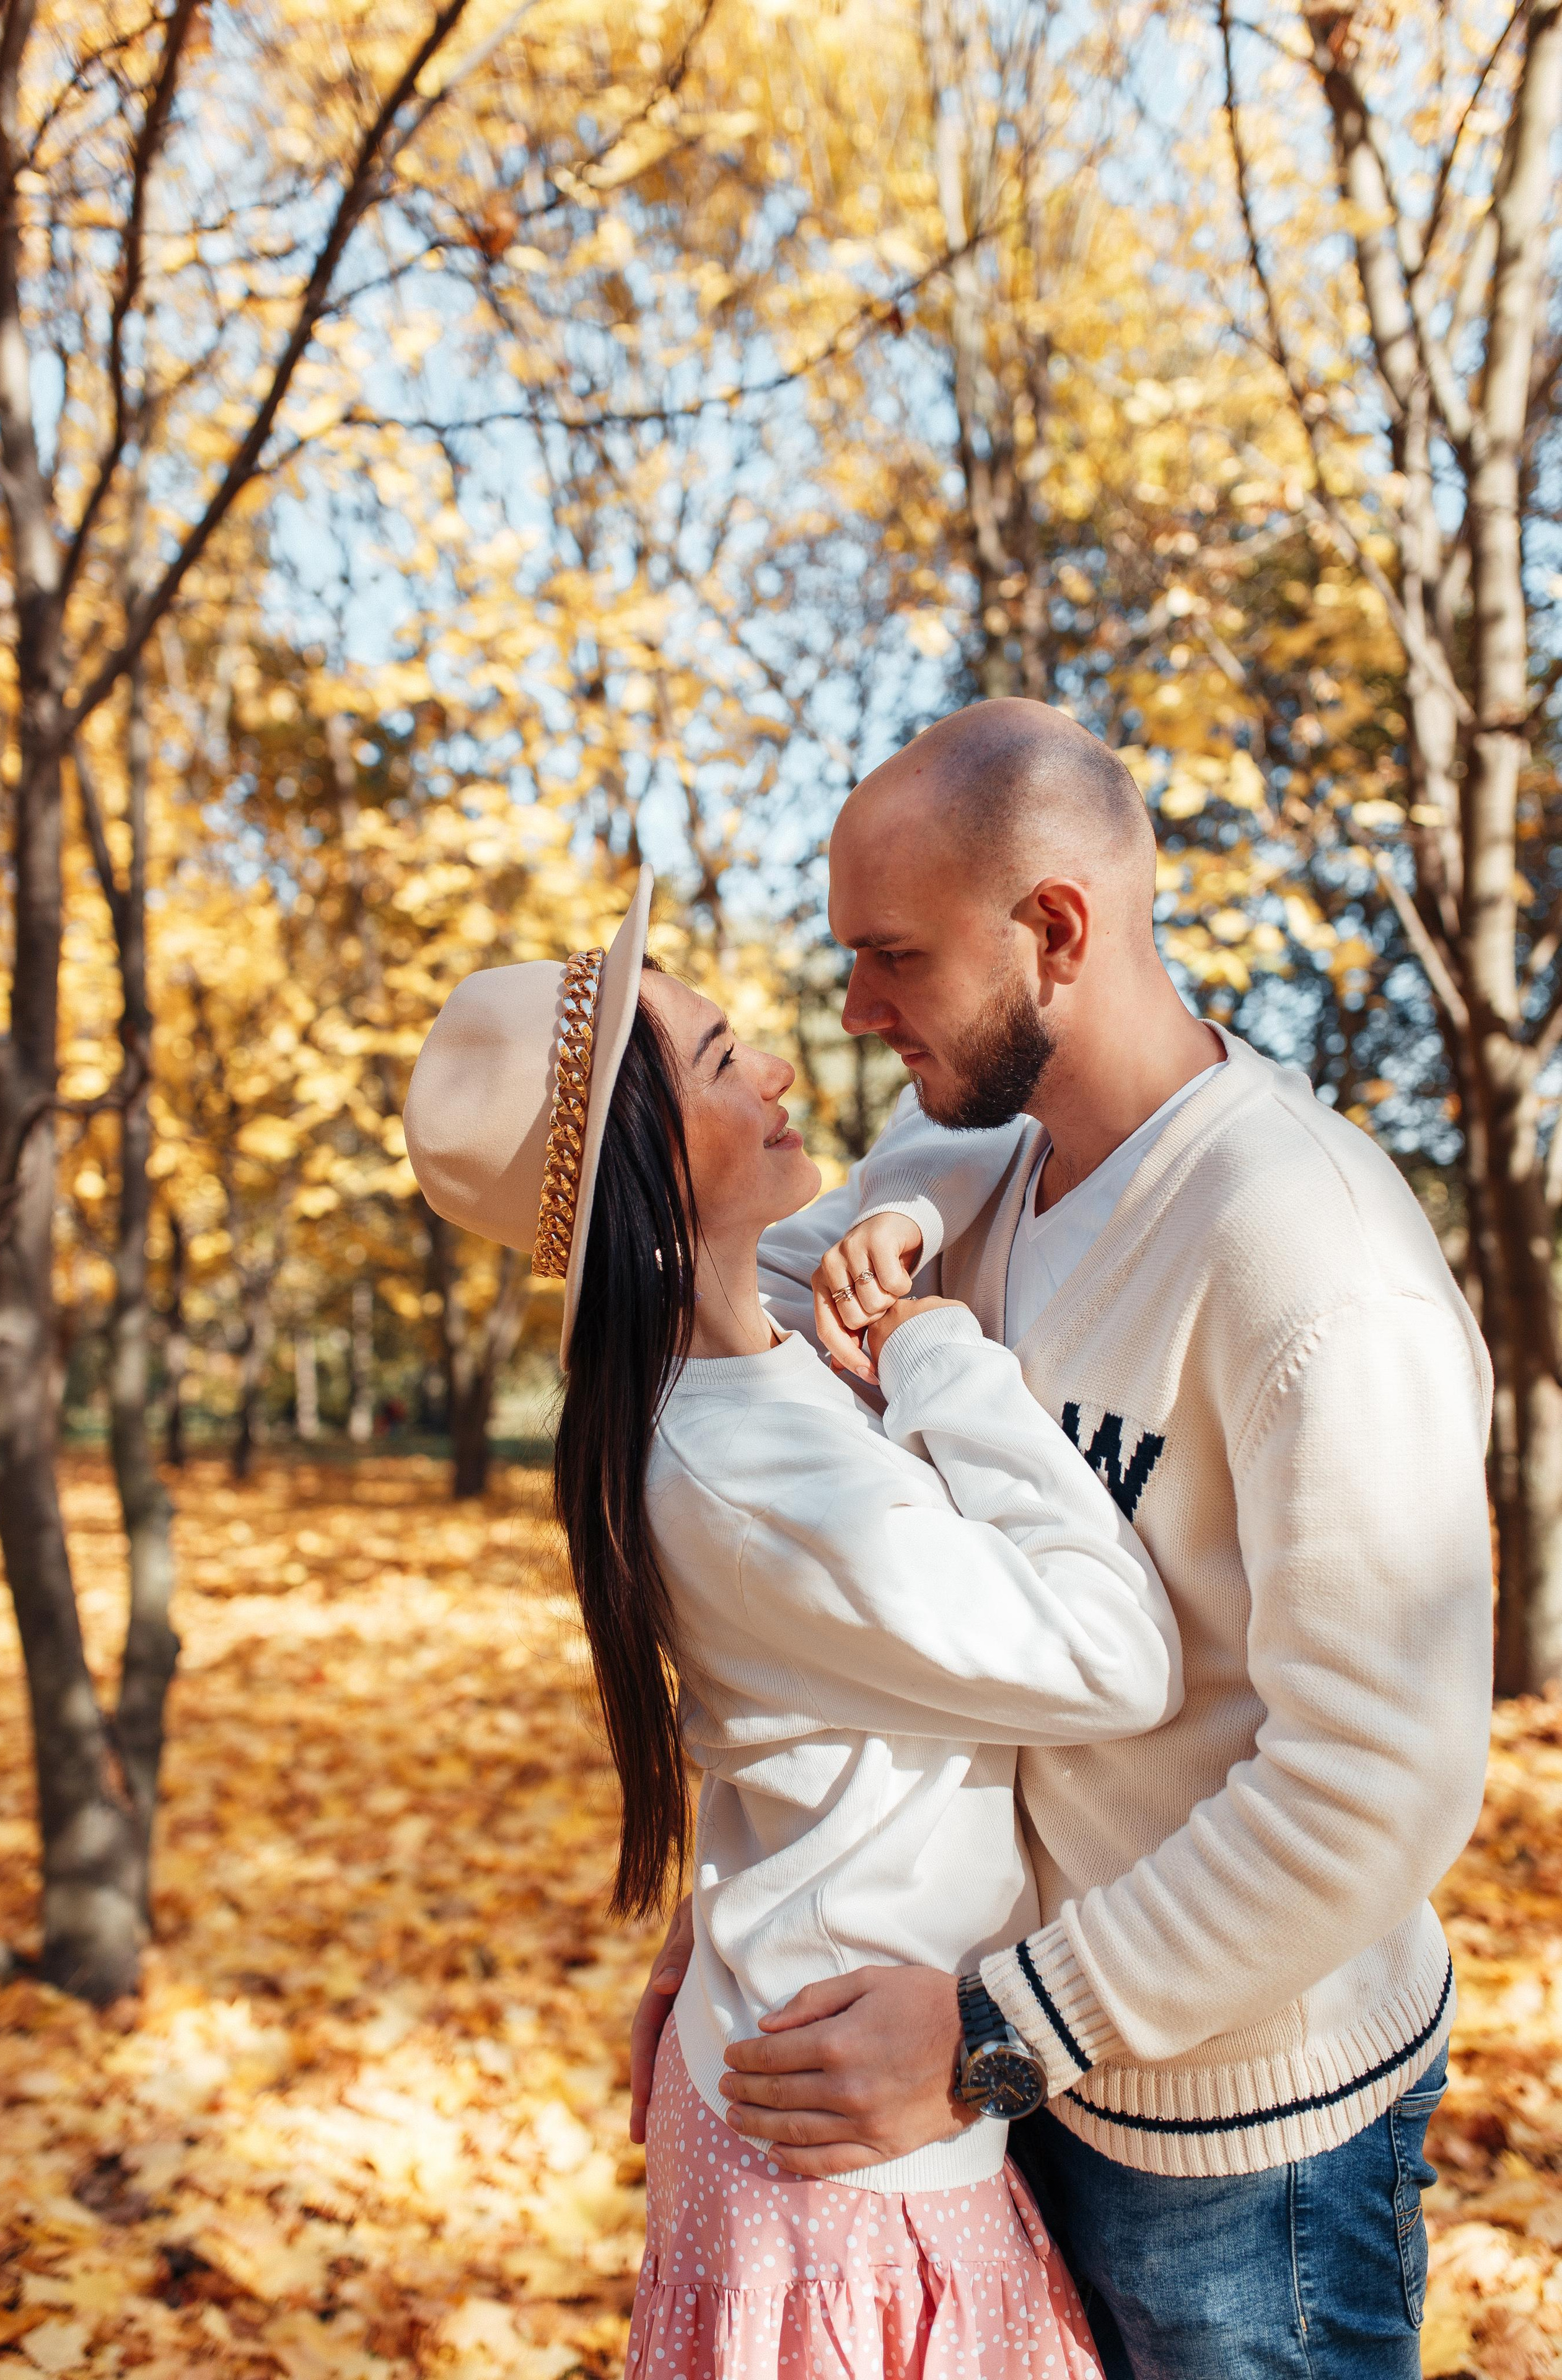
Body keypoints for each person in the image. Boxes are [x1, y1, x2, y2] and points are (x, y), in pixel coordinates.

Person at [630, 700, 1495, 2378]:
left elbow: (1378, 1782)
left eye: (892, 960)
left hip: (1241, 2156)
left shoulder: (1311, 1259)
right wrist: (745, 1921)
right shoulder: (964, 1165)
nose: (856, 1014)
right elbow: (740, 1301)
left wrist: (994, 2032)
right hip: (1012, 2095)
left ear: (1054, 932)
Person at [402, 865, 1187, 2380]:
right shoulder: (753, 1475)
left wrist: (878, 1234)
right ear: (645, 1170)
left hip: (795, 2073)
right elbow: (1117, 1655)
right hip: (852, 2171)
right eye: (713, 1061)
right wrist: (937, 1357)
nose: (770, 1064)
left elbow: (943, 1145)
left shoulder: (732, 1354)